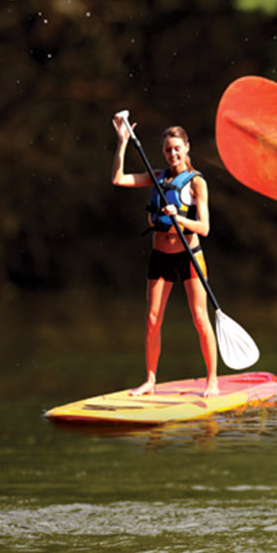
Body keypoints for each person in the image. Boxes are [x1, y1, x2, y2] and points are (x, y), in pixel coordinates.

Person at [111, 113, 219, 397]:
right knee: (152, 319)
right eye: (168, 149)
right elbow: (118, 179)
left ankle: (212, 381)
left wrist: (179, 219)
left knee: (199, 317)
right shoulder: (156, 177)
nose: (172, 153)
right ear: (163, 151)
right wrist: (122, 142)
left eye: (177, 148)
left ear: (187, 148)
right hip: (160, 256)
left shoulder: (197, 183)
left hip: (189, 256)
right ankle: (150, 380)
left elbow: (205, 228)